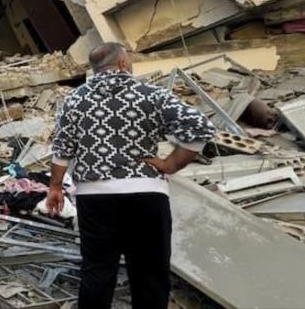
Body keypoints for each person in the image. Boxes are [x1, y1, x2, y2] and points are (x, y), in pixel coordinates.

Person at [46, 43, 216, 308]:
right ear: (124, 63)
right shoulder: (152, 94)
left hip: (95, 197)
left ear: (96, 68)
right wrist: (171, 163)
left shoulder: (74, 100)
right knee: (150, 273)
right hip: (146, 193)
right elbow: (199, 126)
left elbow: (62, 149)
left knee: (97, 272)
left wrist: (55, 187)